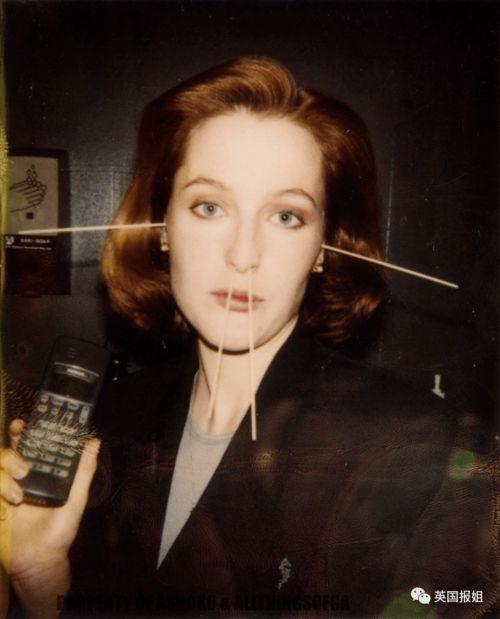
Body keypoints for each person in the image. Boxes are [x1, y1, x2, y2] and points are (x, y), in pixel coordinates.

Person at [1, 56, 496, 617]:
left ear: (322, 250)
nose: (243, 255)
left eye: (286, 216)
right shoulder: (112, 421)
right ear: (163, 228)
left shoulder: (420, 452)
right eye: (209, 207)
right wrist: (39, 572)